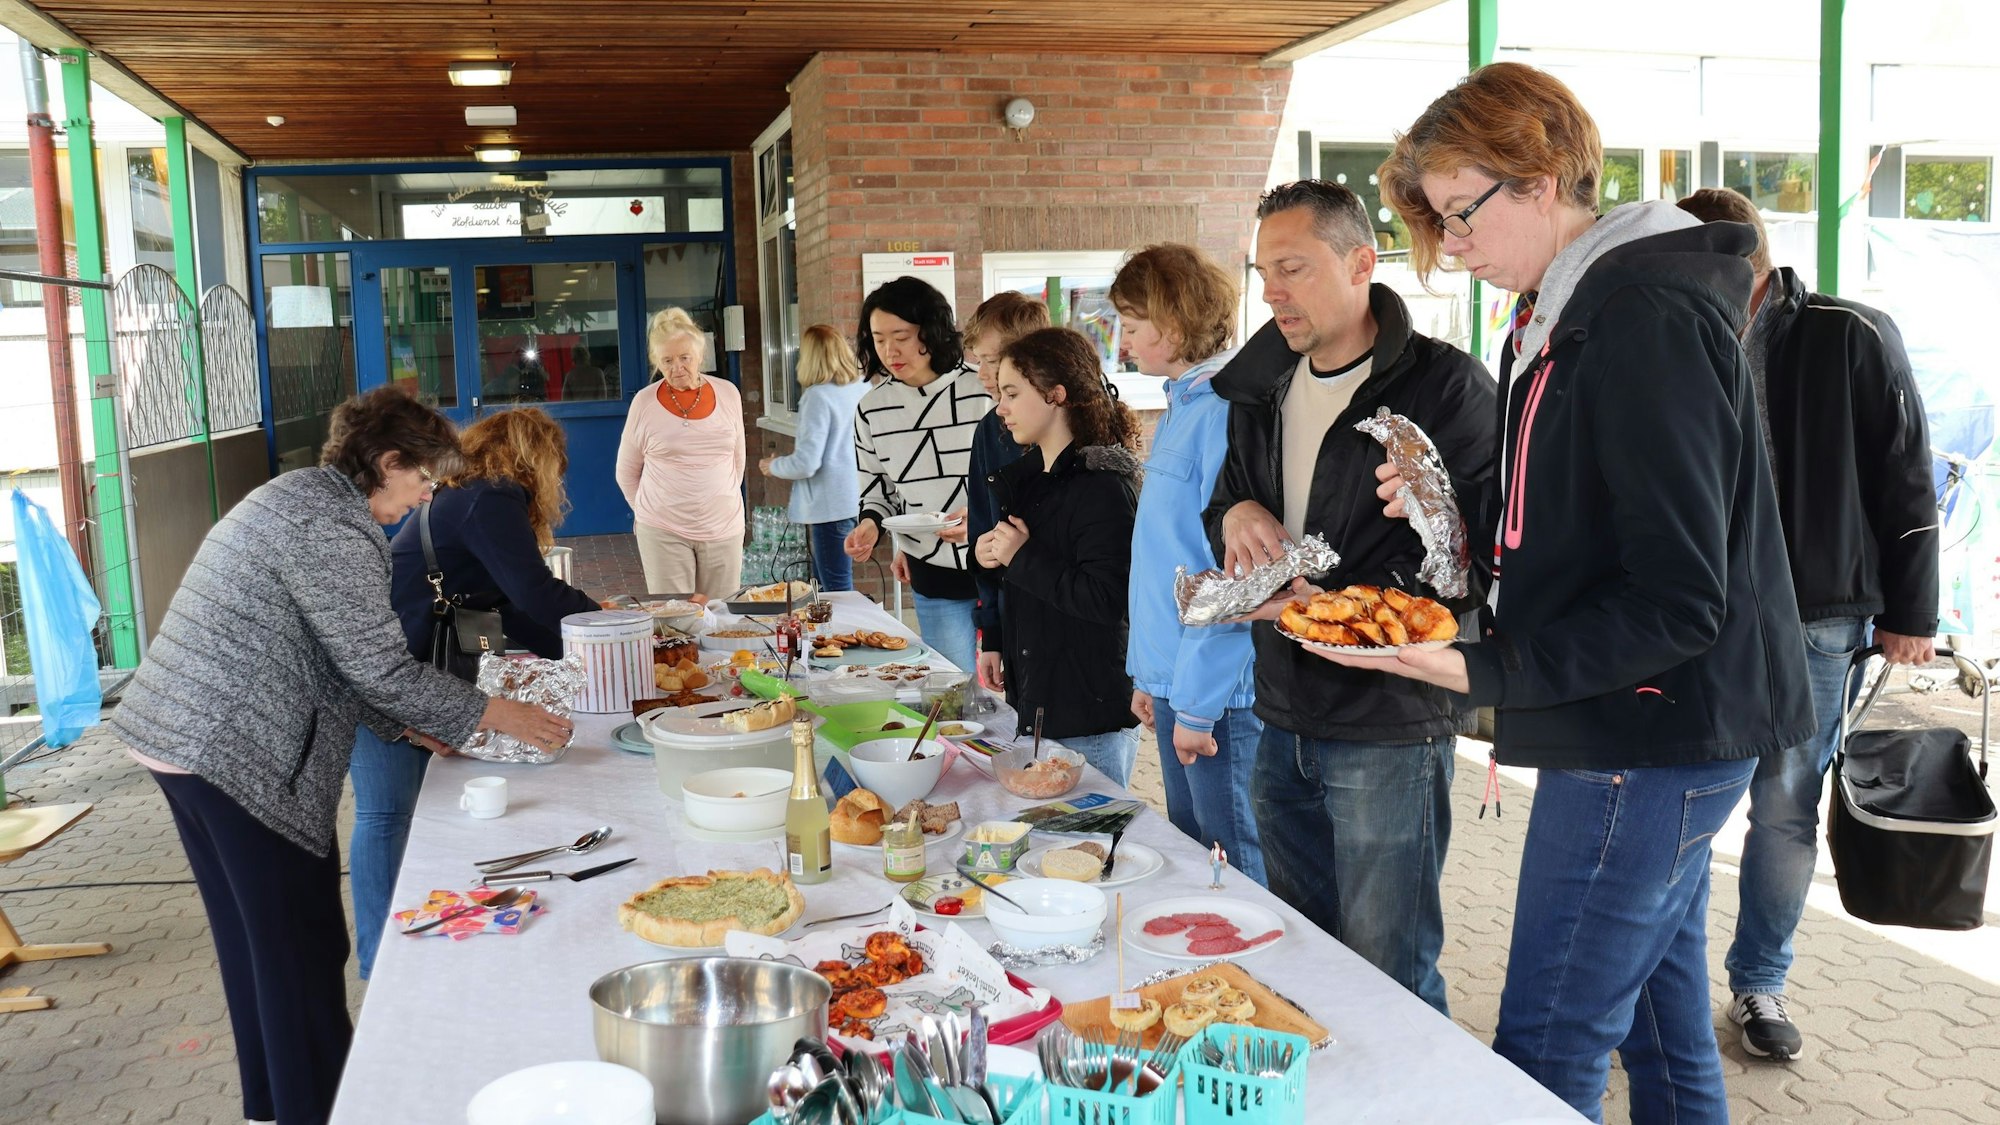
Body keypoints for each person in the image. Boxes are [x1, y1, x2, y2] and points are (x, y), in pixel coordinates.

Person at [1358, 63, 1813, 1120]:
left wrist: (1481, 667)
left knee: (1546, 1042)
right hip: (1643, 724)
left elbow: (1678, 594)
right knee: (1659, 1035)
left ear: (1542, 176)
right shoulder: (1567, 307)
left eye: (1459, 215)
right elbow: (1586, 515)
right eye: (1435, 222)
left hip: (1646, 734)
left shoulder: (1639, 315)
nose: (1450, 245)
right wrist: (1458, 513)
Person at [108, 387, 573, 1125]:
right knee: (302, 949)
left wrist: (414, 729)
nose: (426, 495)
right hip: (233, 753)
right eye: (421, 477)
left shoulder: (297, 497)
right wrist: (497, 711)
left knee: (255, 946)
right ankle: (318, 1106)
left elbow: (342, 662)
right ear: (386, 462)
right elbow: (378, 667)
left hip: (177, 739)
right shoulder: (333, 525)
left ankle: (271, 1105)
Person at [1201, 181, 1495, 1014]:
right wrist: (1239, 510)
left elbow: (1477, 554)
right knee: (1306, 958)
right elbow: (1225, 504)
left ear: (1362, 262)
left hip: (1389, 721)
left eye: (1292, 267)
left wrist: (1347, 600)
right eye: (1263, 273)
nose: (1273, 292)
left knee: (1390, 968)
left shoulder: (1447, 386)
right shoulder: (1258, 388)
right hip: (1279, 712)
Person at [1677, 187, 1940, 1062]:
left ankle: (1759, 981)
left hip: (1817, 612)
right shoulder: (1676, 334)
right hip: (1698, 612)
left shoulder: (1849, 333)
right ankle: (1652, 978)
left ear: (1750, 259)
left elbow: (1905, 472)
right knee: (1678, 800)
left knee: (1785, 804)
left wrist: (1913, 611)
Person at [345, 407, 602, 978]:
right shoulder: (491, 495)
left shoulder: (468, 493)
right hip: (389, 672)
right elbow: (534, 595)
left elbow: (507, 607)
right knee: (388, 813)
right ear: (534, 457)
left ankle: (407, 946)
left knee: (409, 812)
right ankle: (380, 964)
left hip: (409, 665)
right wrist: (606, 624)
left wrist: (586, 653)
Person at [1113, 243, 1265, 884]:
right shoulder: (1184, 404)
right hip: (1179, 678)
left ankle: (1258, 983)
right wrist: (1152, 678)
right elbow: (1166, 562)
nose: (1120, 336)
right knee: (1192, 853)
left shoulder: (1223, 409)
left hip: (1213, 692)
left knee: (1229, 861)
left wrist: (1198, 705)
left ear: (1172, 324)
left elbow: (1232, 574)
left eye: (1130, 321)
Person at [976, 327, 1143, 784]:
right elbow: (1028, 579)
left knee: (1090, 845)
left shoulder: (1102, 486)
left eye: (1011, 392)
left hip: (1090, 718)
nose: (1000, 408)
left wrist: (1021, 556)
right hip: (1039, 705)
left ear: (1056, 395)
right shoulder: (1030, 477)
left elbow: (1108, 600)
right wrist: (986, 554)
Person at [844, 276, 991, 672]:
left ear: (931, 330)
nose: (889, 350)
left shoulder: (987, 390)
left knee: (1017, 697)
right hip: (932, 568)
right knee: (952, 692)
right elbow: (877, 489)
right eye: (878, 339)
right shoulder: (872, 409)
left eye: (902, 336)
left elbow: (1022, 479)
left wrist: (980, 517)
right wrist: (871, 526)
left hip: (1003, 561)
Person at [617, 307, 746, 599]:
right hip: (664, 530)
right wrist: (649, 514)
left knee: (723, 620)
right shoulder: (644, 403)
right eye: (667, 360)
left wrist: (716, 502)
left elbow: (737, 461)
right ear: (656, 362)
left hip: (724, 528)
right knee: (677, 623)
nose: (677, 368)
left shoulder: (728, 394)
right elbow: (626, 472)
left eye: (685, 358)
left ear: (701, 355)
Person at [960, 291, 1051, 693]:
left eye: (992, 361)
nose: (982, 373)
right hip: (1014, 629)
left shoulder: (1079, 425)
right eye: (977, 359)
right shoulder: (988, 431)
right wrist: (991, 636)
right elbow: (982, 527)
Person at [760, 324, 872, 592]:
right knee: (836, 583)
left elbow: (807, 463)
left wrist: (772, 465)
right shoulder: (861, 388)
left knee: (834, 587)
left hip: (829, 505)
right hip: (859, 497)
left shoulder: (817, 397)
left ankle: (845, 634)